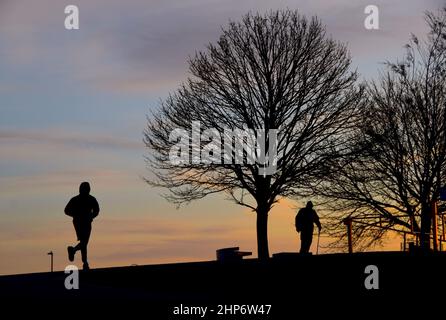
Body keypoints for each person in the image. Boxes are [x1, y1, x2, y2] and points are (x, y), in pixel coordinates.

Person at [65, 182, 100, 270]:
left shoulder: (88, 199)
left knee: (83, 242)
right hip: (82, 222)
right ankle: (74, 251)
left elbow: (96, 210)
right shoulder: (80, 199)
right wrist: (77, 215)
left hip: (82, 222)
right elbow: (66, 210)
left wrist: (91, 216)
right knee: (84, 242)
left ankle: (84, 262)